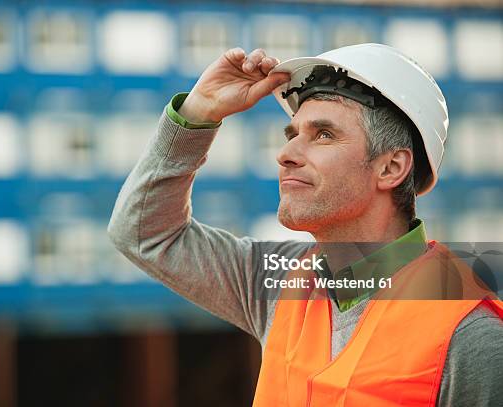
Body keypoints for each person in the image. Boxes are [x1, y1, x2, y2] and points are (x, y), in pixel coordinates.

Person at [108, 44, 503, 406]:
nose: (286, 154)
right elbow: (144, 232)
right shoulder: (279, 281)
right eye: (293, 134)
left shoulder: (470, 335)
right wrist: (199, 112)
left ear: (391, 167)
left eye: (324, 135)